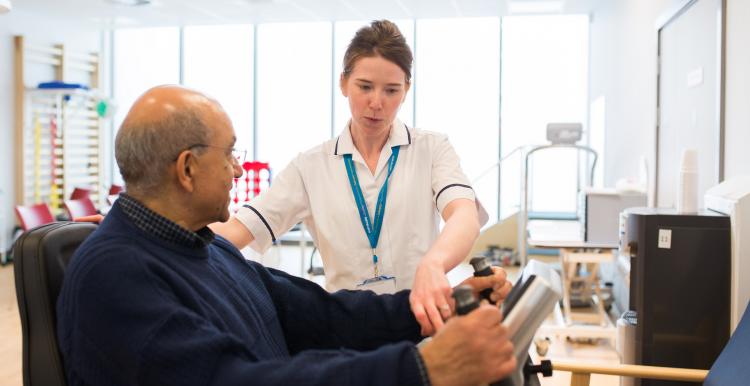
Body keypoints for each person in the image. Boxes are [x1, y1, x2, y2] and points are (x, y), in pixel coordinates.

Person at [57, 85, 516, 386]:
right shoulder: (115, 275)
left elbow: (324, 315)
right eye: (231, 154)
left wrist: (436, 308)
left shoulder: (206, 248)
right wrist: (423, 368)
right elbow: (232, 380)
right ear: (188, 168)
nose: (238, 168)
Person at [212, 19, 488, 336]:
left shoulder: (432, 149)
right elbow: (238, 230)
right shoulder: (310, 166)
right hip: (348, 330)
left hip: (423, 319)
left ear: (407, 89)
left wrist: (434, 264)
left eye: (391, 90)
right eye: (365, 86)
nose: (376, 103)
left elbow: (464, 215)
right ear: (343, 83)